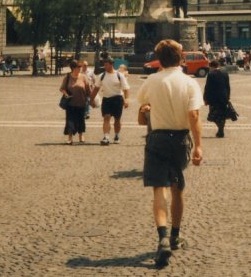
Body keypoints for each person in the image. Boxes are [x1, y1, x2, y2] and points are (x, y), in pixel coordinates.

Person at [136, 39, 203, 269]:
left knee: (159, 188)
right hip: (181, 139)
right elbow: (193, 115)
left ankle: (162, 237)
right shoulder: (190, 83)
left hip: (158, 138)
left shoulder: (151, 80)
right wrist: (199, 146)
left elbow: (142, 105)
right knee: (177, 187)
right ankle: (175, 236)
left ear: (159, 59)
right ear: (181, 56)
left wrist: (148, 108)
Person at [92, 58, 130, 145]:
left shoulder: (119, 75)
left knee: (117, 119)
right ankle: (106, 137)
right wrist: (91, 99)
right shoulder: (101, 76)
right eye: (104, 64)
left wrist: (127, 99)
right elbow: (96, 89)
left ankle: (116, 135)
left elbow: (126, 89)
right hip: (106, 99)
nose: (105, 66)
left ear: (111, 64)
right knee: (106, 117)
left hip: (117, 99)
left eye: (106, 64)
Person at [60, 61, 91, 145]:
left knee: (81, 120)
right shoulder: (67, 77)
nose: (80, 69)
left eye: (80, 67)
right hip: (70, 103)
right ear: (73, 68)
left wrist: (91, 99)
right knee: (70, 120)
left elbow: (88, 89)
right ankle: (70, 137)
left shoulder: (84, 77)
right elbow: (62, 88)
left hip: (82, 102)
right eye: (78, 67)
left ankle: (81, 135)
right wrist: (66, 94)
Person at [203, 60, 231, 138]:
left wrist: (205, 98)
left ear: (211, 66)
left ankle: (220, 129)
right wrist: (228, 96)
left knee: (213, 115)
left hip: (214, 98)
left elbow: (207, 87)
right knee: (222, 114)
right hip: (223, 97)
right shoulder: (225, 73)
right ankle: (221, 130)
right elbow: (227, 86)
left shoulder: (211, 74)